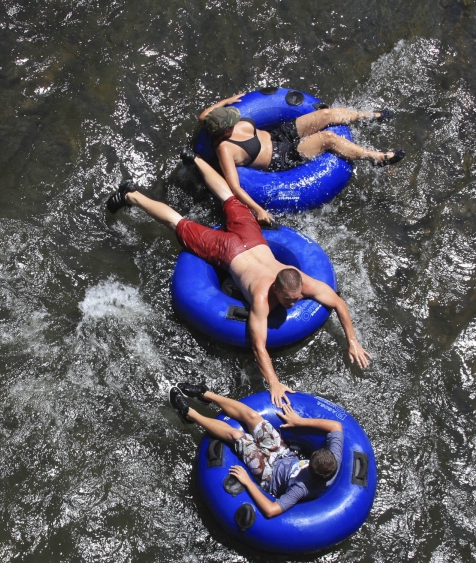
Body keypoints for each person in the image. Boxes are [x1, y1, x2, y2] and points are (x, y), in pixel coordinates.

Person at [107, 153, 371, 407]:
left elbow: (338, 302)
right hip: (227, 251)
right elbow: (259, 347)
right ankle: (131, 194)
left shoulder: (299, 282)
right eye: (289, 300)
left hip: (252, 239)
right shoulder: (261, 297)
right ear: (276, 289)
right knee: (178, 223)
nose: (295, 303)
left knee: (229, 198)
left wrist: (353, 340)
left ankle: (194, 159)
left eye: (297, 297)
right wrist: (275, 383)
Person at [200, 93, 405, 225]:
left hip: (279, 134)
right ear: (224, 131)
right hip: (282, 156)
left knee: (327, 114)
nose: (236, 119)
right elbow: (234, 186)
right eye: (230, 121)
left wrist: (227, 102)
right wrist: (258, 210)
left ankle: (371, 117)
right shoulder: (225, 149)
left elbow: (204, 114)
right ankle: (376, 158)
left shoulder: (212, 122)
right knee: (328, 138)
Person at [169, 382, 343, 517]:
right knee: (253, 417)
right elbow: (336, 426)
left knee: (238, 437)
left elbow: (271, 510)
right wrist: (299, 422)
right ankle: (205, 395)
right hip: (283, 454)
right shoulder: (333, 459)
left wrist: (248, 482)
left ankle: (189, 414)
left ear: (312, 462)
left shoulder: (301, 488)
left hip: (269, 475)